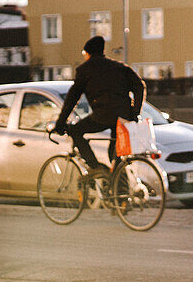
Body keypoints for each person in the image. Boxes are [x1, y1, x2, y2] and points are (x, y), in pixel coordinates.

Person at [53, 35, 145, 176]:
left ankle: (96, 168)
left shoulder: (85, 70)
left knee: (76, 131)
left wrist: (60, 123)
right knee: (115, 155)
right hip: (123, 117)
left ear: (88, 53)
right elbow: (139, 86)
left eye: (84, 54)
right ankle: (120, 193)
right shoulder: (119, 67)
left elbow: (72, 98)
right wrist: (134, 112)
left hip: (102, 116)